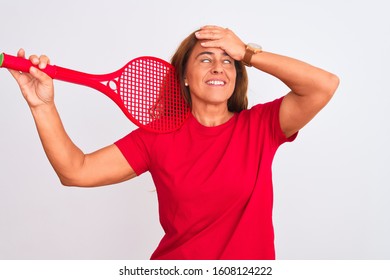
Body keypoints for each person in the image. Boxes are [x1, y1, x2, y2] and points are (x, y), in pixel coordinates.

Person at [9, 25, 339, 259]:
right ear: (183, 74)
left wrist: (248, 53)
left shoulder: (261, 126)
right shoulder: (158, 137)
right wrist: (42, 104)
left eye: (228, 61)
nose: (219, 67)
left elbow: (323, 85)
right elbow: (75, 171)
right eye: (205, 58)